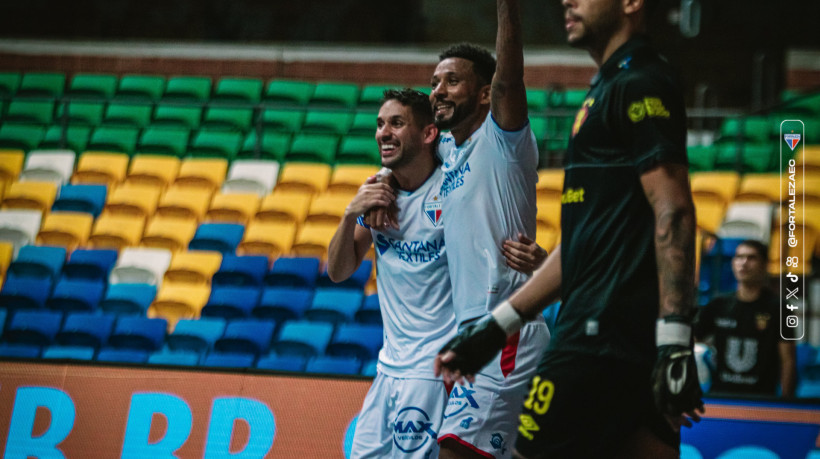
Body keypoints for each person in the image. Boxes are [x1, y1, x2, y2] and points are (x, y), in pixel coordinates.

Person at [434, 0, 705, 457]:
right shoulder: (609, 87)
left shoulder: (641, 83)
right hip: (628, 343)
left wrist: (677, 338)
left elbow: (674, 212)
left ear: (631, 4)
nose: (567, 1)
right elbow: (583, 242)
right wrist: (495, 328)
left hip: (595, 338)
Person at [327, 88, 545, 458]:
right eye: (380, 124)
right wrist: (352, 213)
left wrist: (539, 262)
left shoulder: (455, 188)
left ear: (429, 134)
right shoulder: (378, 195)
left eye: (397, 123)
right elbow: (338, 271)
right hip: (388, 367)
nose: (384, 132)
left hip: (433, 369)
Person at [694, 240, 797, 398]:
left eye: (751, 258)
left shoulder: (779, 308)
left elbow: (788, 360)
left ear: (764, 265)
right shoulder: (718, 304)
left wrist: (787, 403)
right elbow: (693, 340)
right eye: (739, 257)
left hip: (761, 398)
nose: (744, 263)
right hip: (721, 396)